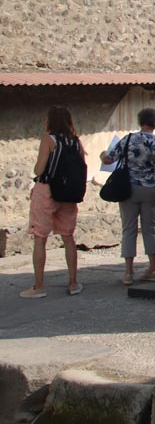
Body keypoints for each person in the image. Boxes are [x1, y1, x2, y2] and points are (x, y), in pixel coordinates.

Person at [20, 106, 85, 298]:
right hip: (69, 194)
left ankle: (38, 286)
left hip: (47, 190)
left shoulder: (49, 140)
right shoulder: (76, 142)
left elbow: (39, 169)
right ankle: (73, 282)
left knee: (40, 237)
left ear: (50, 121)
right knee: (68, 237)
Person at [101, 107, 155, 285]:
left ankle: (128, 272)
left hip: (129, 188)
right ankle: (153, 268)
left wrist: (103, 154)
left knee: (129, 229)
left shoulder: (128, 140)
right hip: (150, 188)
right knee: (150, 229)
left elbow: (109, 159)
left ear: (140, 122)